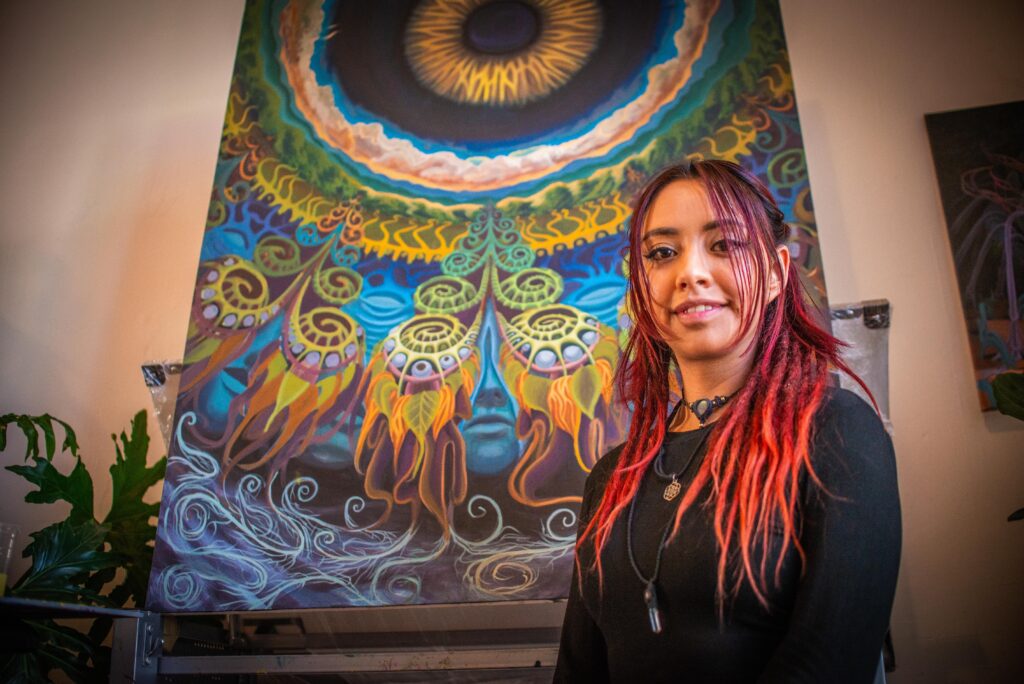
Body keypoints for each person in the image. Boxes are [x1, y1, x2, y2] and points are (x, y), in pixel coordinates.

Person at [554, 160, 901, 683]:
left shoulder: (837, 432)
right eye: (662, 253)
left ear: (776, 273)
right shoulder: (610, 480)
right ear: (642, 285)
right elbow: (578, 670)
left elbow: (831, 665)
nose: (690, 273)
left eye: (724, 245)